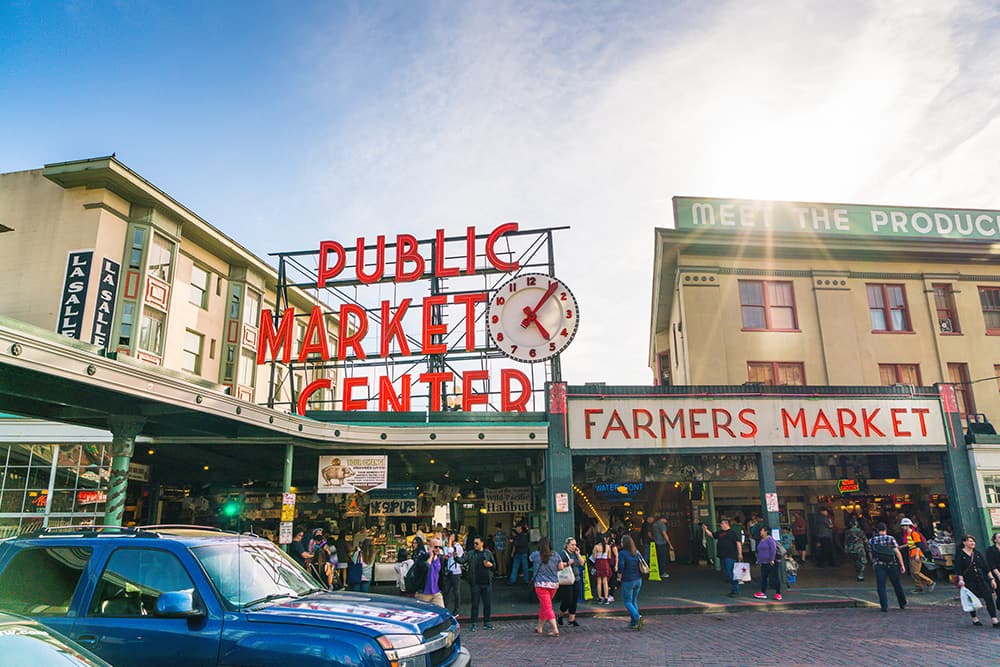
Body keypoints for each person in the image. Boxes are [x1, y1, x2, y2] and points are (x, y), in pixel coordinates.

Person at [955, 534, 999, 627]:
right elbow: (958, 569)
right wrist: (961, 580)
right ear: (964, 542)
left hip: (981, 579)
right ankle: (975, 618)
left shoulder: (977, 554)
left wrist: (992, 579)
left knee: (989, 598)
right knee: (971, 599)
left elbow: (985, 567)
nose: (972, 543)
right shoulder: (960, 554)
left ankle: (994, 619)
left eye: (973, 541)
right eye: (970, 541)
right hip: (969, 580)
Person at [867, 522, 907, 612]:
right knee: (897, 584)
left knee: (881, 586)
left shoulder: (872, 540)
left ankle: (884, 606)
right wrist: (902, 565)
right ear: (886, 530)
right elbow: (897, 552)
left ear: (877, 530)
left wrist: (874, 563)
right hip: (892, 564)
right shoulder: (890, 538)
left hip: (879, 564)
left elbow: (870, 553)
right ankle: (902, 603)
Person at [530, 537, 565, 637]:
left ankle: (555, 629)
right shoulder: (555, 555)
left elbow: (530, 558)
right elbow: (561, 567)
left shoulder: (536, 555)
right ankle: (539, 627)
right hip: (553, 584)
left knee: (547, 607)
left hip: (541, 584)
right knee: (544, 606)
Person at [702, 519, 743, 597]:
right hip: (722, 555)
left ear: (726, 524)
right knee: (727, 572)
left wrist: (740, 553)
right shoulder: (720, 532)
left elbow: (738, 543)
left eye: (722, 523)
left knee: (731, 573)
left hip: (730, 555)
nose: (720, 525)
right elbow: (713, 535)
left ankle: (736, 590)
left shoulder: (733, 533)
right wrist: (706, 530)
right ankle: (734, 589)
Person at [467, 536, 495, 631]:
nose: (475, 545)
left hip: (486, 582)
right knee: (475, 604)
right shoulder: (471, 553)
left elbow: (494, 565)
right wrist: (455, 557)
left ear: (482, 543)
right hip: (476, 582)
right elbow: (463, 560)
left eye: (477, 543)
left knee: (487, 603)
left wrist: (490, 565)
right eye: (474, 543)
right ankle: (474, 623)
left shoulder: (488, 553)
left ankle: (487, 622)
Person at [900, 518, 935, 593]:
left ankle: (930, 582)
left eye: (903, 526)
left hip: (916, 554)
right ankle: (918, 587)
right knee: (913, 572)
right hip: (912, 553)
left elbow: (918, 544)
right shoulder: (909, 534)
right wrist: (901, 547)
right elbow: (911, 543)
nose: (902, 527)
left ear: (907, 526)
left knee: (916, 572)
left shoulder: (914, 533)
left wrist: (917, 555)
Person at [617, 535, 644, 631]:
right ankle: (633, 623)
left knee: (627, 601)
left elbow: (621, 565)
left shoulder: (622, 554)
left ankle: (637, 617)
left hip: (628, 580)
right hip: (638, 579)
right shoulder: (636, 552)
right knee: (634, 600)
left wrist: (619, 575)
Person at [557, 537, 585, 627]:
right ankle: (560, 615)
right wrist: (567, 563)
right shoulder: (562, 554)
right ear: (567, 545)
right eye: (572, 545)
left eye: (575, 545)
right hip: (567, 580)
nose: (574, 547)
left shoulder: (575, 554)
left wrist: (578, 553)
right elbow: (558, 565)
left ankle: (571, 619)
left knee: (574, 600)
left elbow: (582, 563)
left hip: (576, 579)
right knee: (567, 600)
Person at [414, 537, 446, 607]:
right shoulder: (423, 557)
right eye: (436, 547)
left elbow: (441, 574)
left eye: (440, 547)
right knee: (423, 615)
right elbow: (422, 568)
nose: (438, 549)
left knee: (442, 611)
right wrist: (431, 557)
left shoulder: (440, 559)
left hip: (436, 593)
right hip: (423, 593)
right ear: (430, 547)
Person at [753, 525, 782, 601]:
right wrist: (759, 559)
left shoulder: (770, 539)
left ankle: (778, 593)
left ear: (766, 531)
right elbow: (760, 551)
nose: (760, 532)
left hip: (772, 562)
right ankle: (762, 592)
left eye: (762, 530)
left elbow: (773, 549)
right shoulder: (761, 540)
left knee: (775, 577)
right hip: (763, 562)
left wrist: (772, 559)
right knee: (764, 578)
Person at [442, 531, 464, 616]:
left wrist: (450, 541)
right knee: (446, 591)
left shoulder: (458, 547)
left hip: (456, 572)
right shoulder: (452, 546)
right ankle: (444, 608)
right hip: (450, 570)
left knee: (456, 591)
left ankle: (456, 610)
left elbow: (450, 551)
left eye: (451, 536)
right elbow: (447, 553)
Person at [591, 536, 612, 604]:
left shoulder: (596, 547)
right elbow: (609, 557)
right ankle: (606, 598)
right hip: (605, 564)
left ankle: (600, 598)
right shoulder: (608, 547)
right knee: (605, 582)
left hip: (598, 563)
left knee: (599, 582)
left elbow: (594, 557)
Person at [985, 532, 1000, 612]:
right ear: (995, 540)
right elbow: (991, 564)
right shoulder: (990, 550)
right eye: (999, 537)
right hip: (997, 574)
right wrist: (998, 575)